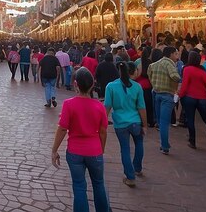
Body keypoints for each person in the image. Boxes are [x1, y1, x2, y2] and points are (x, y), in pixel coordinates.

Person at [51, 69, 110, 212]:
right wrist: (101, 150)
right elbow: (103, 132)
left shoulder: (69, 104)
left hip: (75, 151)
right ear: (92, 85)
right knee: (98, 184)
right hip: (94, 151)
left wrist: (54, 150)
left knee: (79, 186)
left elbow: (62, 129)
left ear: (76, 84)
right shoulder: (99, 106)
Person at [105, 63, 147, 187]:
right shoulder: (137, 87)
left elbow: (107, 107)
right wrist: (144, 125)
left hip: (120, 123)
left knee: (125, 149)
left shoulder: (111, 86)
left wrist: (102, 123)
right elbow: (141, 107)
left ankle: (130, 176)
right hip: (135, 122)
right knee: (139, 144)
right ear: (133, 72)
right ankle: (137, 168)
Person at [179, 51, 206, 149]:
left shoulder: (187, 69)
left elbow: (184, 85)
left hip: (189, 97)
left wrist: (180, 95)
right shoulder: (203, 70)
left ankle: (192, 141)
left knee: (190, 119)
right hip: (202, 98)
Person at [147, 46, 180, 155]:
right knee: (165, 122)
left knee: (161, 122)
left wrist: (154, 83)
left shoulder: (155, 64)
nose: (177, 56)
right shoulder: (169, 64)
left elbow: (149, 72)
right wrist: (178, 82)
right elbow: (175, 76)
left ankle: (163, 143)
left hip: (157, 93)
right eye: (176, 54)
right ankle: (165, 145)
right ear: (170, 54)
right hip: (167, 94)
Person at [135, 46, 155, 127]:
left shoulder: (138, 62)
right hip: (149, 85)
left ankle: (142, 121)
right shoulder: (150, 62)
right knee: (149, 104)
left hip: (140, 85)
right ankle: (150, 121)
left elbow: (137, 74)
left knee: (141, 104)